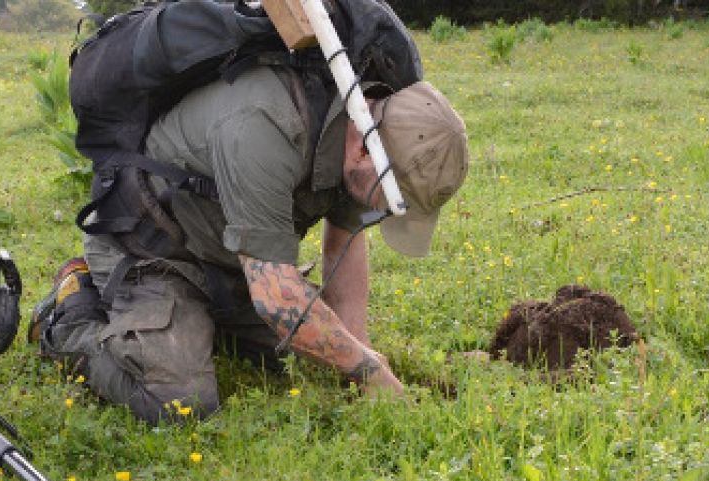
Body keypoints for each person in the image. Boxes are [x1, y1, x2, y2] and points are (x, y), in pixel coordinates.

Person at [30, 65, 468, 425]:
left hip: (231, 259)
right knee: (182, 404)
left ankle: (199, 325)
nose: (388, 213)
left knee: (317, 359)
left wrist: (359, 355)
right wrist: (371, 374)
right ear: (363, 155)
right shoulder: (264, 126)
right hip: (153, 251)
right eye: (394, 202)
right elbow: (278, 299)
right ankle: (70, 311)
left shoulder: (362, 127)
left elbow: (345, 242)